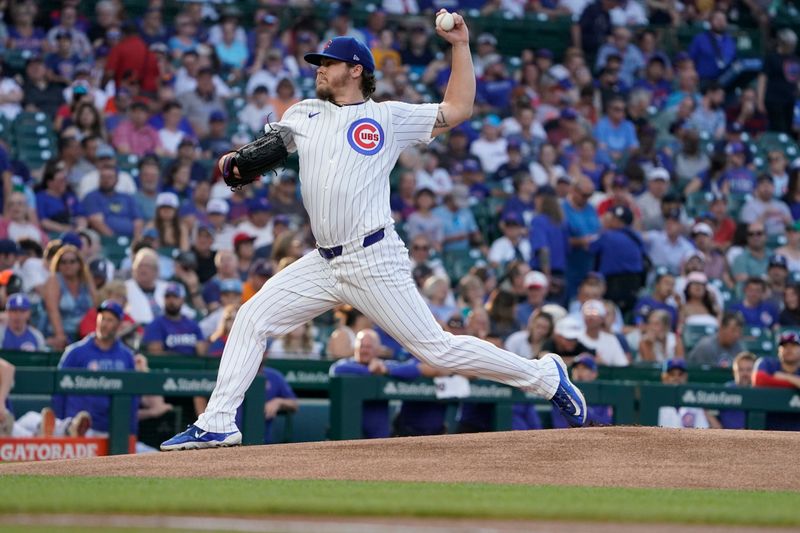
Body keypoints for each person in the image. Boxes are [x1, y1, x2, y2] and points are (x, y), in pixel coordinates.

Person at [162, 25, 587, 450]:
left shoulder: (388, 117)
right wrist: (236, 163)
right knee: (252, 318)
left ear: (355, 69)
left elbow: (457, 108)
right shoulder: (302, 113)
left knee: (437, 351)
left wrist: (459, 45)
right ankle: (217, 421)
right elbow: (262, 153)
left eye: (327, 64)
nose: (319, 70)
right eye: (318, 63)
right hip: (323, 262)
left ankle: (545, 376)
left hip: (373, 257)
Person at [52, 300, 138, 437]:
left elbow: (133, 398)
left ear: (118, 324)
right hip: (76, 430)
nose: (104, 324)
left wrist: (130, 432)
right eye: (102, 318)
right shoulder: (76, 352)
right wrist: (61, 425)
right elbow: (58, 392)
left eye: (110, 320)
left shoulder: (126, 356)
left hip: (111, 430)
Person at [329, 329, 421, 439]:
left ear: (378, 350)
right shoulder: (347, 365)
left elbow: (414, 370)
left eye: (368, 347)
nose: (364, 350)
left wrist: (386, 370)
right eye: (361, 346)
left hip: (378, 435)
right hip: (348, 432)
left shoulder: (383, 366)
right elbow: (336, 369)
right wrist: (370, 371)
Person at [589, 205, 644, 315]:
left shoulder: (607, 235)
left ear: (618, 221)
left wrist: (601, 229)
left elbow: (590, 247)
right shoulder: (636, 236)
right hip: (634, 282)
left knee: (609, 313)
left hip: (614, 283)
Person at [42, 244, 97, 350]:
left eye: (72, 261)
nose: (68, 265)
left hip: (85, 333)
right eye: (63, 262)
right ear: (58, 264)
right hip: (61, 334)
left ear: (79, 264)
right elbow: (52, 310)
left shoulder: (86, 280)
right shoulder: (54, 280)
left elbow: (95, 307)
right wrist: (60, 335)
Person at [142, 282, 207, 356]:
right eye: (168, 296)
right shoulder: (155, 324)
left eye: (175, 296)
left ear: (182, 300)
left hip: (192, 366)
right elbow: (156, 354)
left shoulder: (193, 325)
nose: (171, 300)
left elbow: (202, 353)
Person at [752, 332, 800, 430]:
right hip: (770, 424)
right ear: (778, 350)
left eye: (793, 345)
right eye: (784, 345)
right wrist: (796, 383)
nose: (789, 349)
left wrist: (786, 377)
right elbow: (759, 380)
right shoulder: (768, 363)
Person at [550, 354, 613, 428]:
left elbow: (607, 424)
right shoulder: (563, 393)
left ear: (594, 373)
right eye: (576, 368)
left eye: (584, 368)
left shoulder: (602, 395)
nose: (579, 371)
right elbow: (560, 426)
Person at [657, 359, 714, 429]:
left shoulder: (694, 403)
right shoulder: (656, 402)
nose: (676, 378)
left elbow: (703, 431)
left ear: (686, 377)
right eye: (672, 374)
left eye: (680, 374)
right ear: (664, 377)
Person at [578, 299, 628, 367]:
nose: (590, 318)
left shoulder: (611, 339)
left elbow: (622, 365)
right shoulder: (575, 338)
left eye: (594, 314)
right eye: (587, 314)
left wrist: (602, 364)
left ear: (602, 318)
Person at [717, 351, 756, 430]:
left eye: (749, 370)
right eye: (740, 370)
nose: (745, 373)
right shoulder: (727, 389)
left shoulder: (760, 389)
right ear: (734, 372)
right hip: (727, 437)